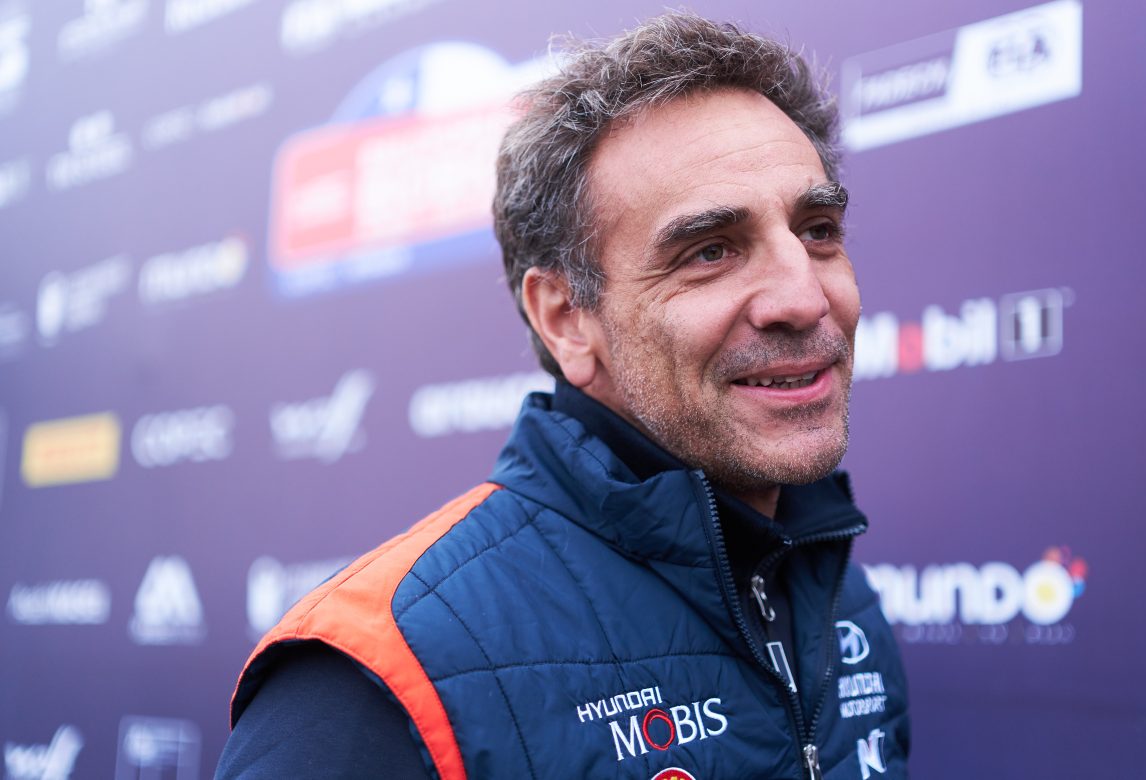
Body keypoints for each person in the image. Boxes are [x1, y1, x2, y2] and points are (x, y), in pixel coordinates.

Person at [218, 12, 910, 780]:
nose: (805, 298)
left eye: (817, 230)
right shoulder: (373, 684)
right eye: (711, 251)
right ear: (566, 320)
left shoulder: (833, 594)